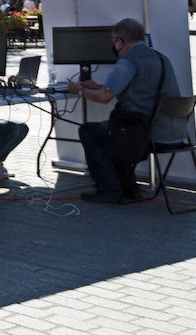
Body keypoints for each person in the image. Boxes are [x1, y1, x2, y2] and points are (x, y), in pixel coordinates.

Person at [71, 17, 181, 204]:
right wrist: (97, 86)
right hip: (173, 130)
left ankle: (109, 188)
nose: (113, 45)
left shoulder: (128, 61)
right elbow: (136, 88)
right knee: (110, 131)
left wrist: (79, 90)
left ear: (121, 41)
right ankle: (129, 187)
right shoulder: (161, 58)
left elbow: (104, 98)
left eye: (113, 41)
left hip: (143, 132)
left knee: (90, 131)